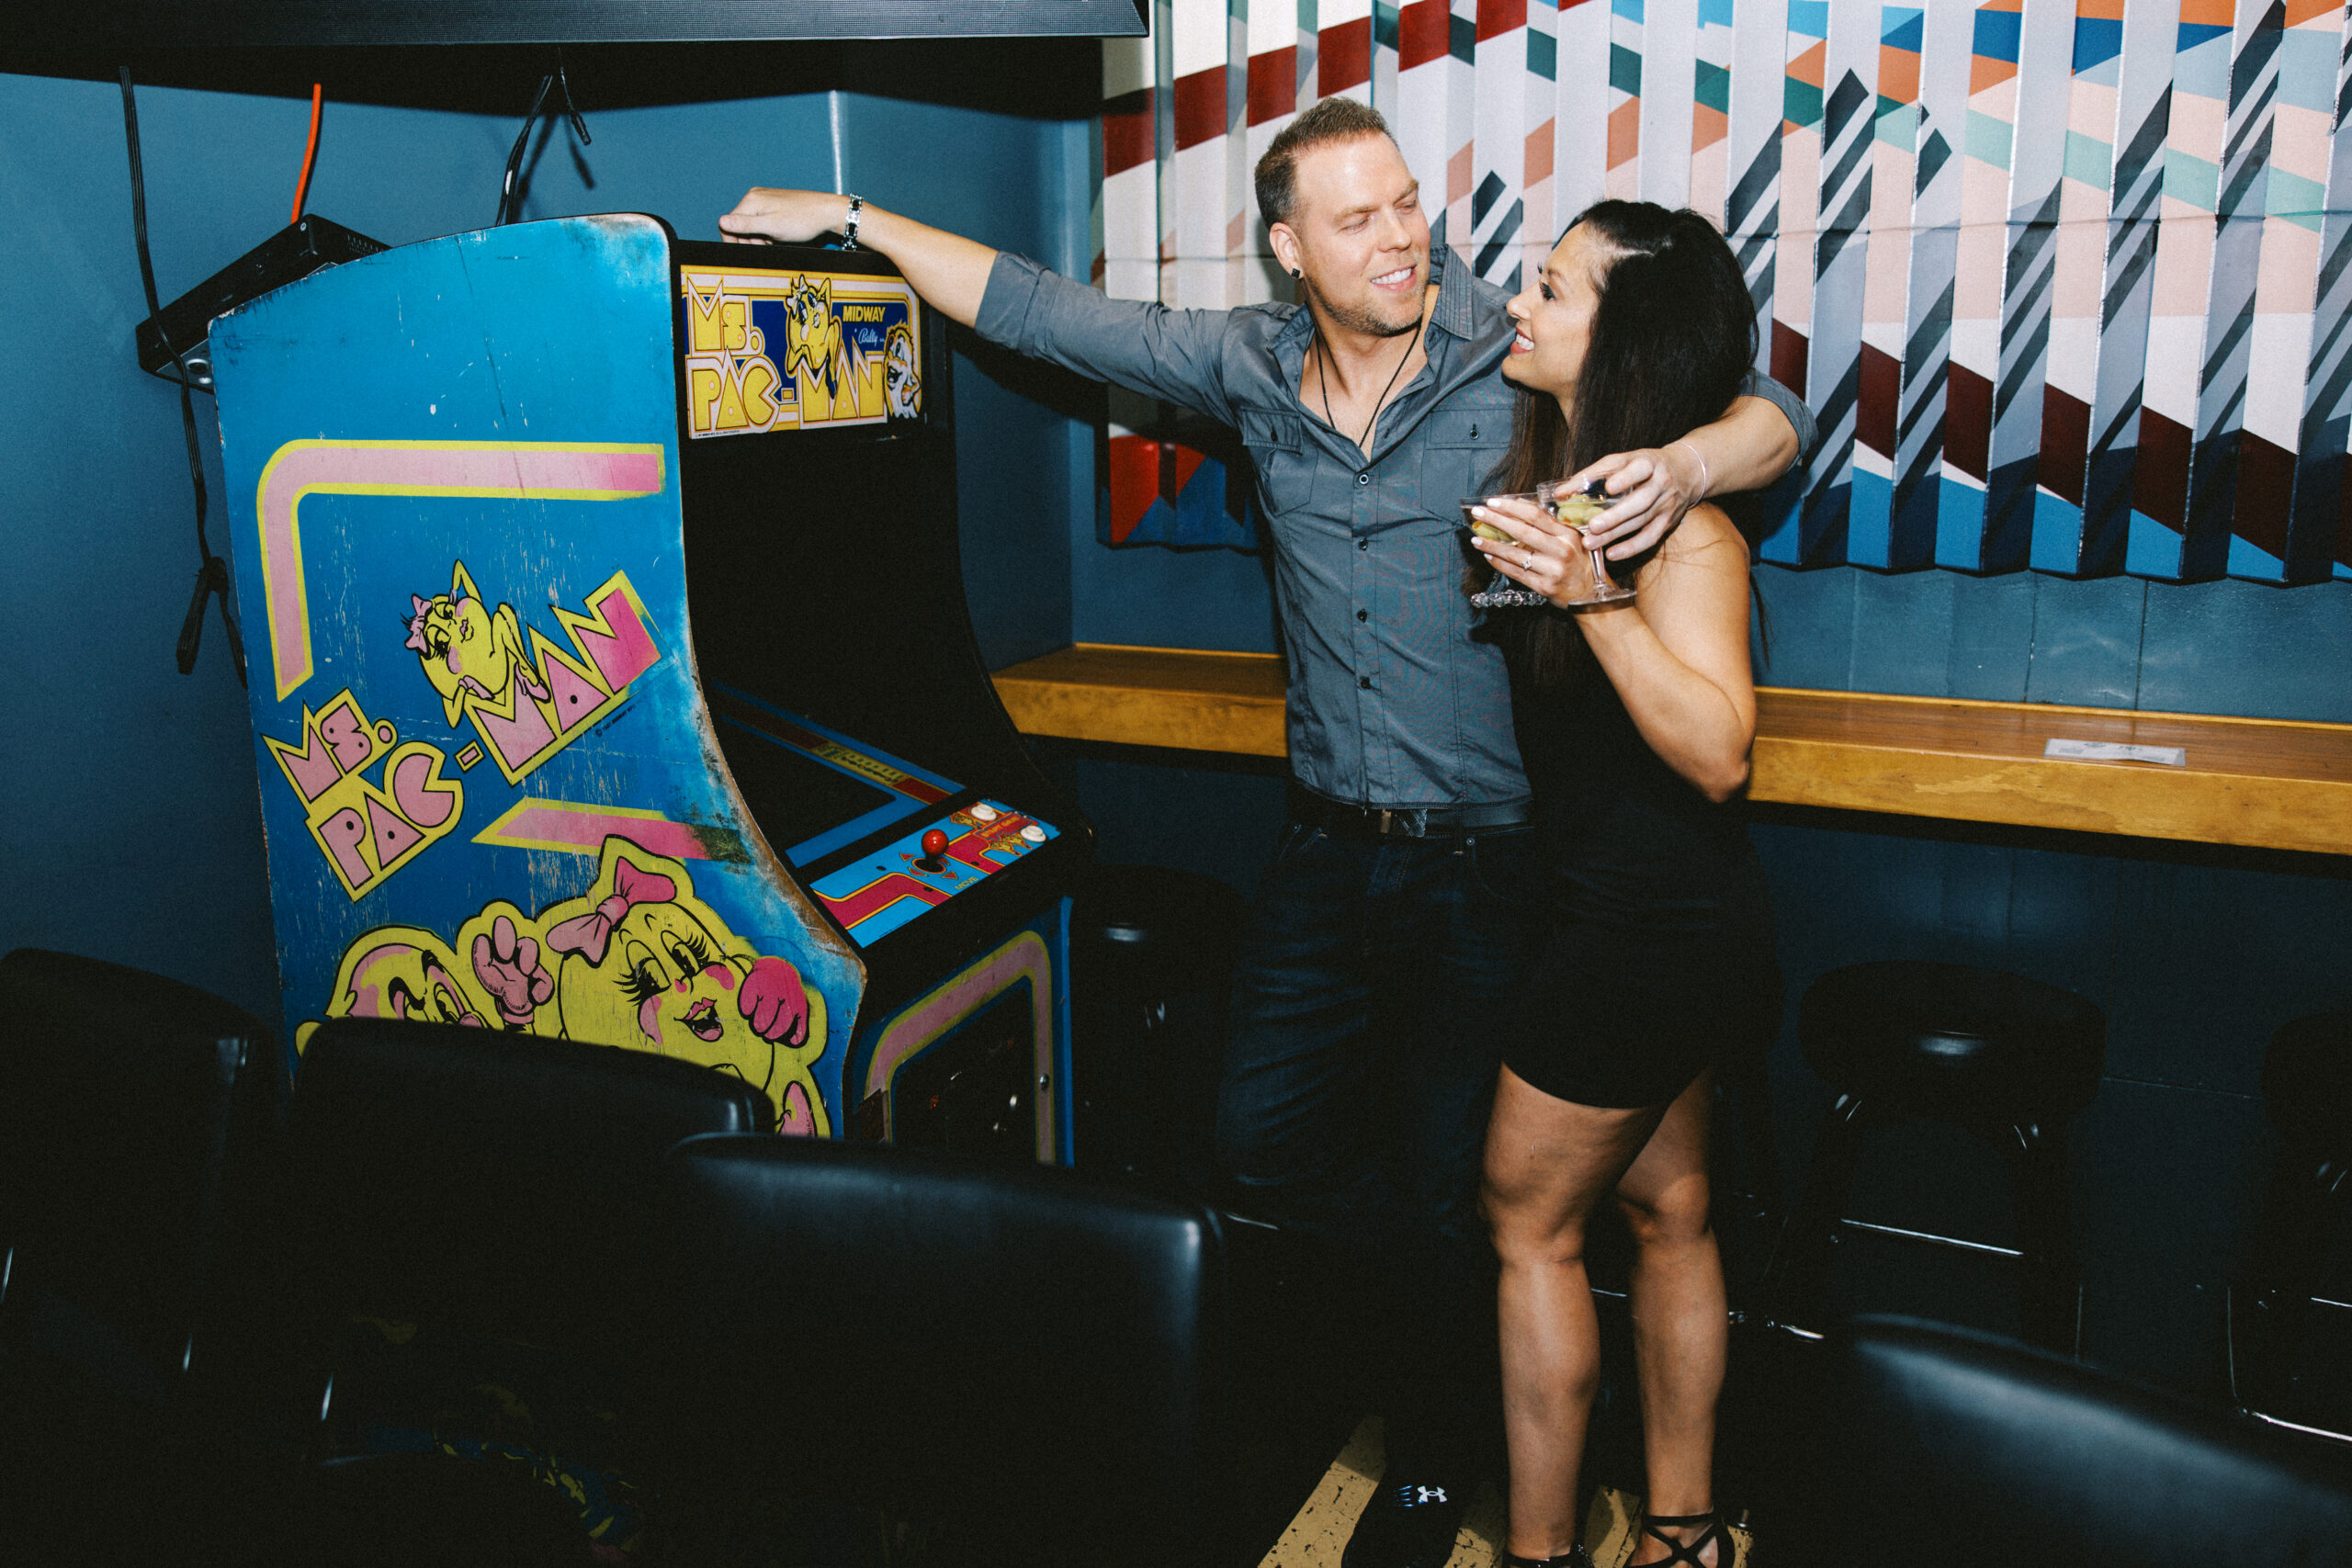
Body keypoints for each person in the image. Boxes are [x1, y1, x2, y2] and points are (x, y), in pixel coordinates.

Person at [720, 100, 1813, 1568]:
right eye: (1358, 218)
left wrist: (1684, 469)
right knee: (1262, 1145)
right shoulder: (1246, 366)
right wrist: (851, 222)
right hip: (1322, 842)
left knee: (1469, 1197)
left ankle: (1435, 1462)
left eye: (1409, 204)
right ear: (1289, 247)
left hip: (1490, 861)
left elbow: (1762, 418)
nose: (1402, 236)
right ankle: (1392, 1365)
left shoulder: (1511, 348)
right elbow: (1047, 315)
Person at [1462, 202, 1782, 1568]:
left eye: (1549, 289)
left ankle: (1540, 1552)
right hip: (1652, 922)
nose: (1517, 305)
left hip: (1644, 932)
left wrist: (1594, 599)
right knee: (1670, 1208)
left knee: (1525, 1219)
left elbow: (1719, 754)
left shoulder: (1686, 541)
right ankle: (1685, 1535)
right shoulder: (1567, 489)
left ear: (1626, 341)